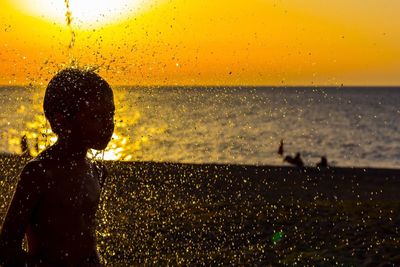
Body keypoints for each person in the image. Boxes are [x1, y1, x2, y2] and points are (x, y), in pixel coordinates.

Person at [0, 68, 115, 266]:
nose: (108, 124)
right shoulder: (40, 172)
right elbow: (6, 245)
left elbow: (86, 240)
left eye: (110, 114)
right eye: (95, 116)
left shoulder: (97, 171)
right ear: (61, 121)